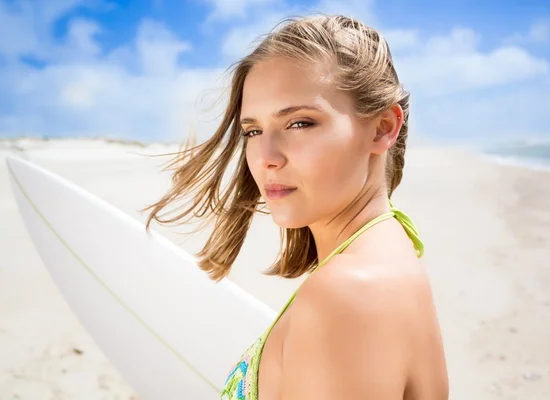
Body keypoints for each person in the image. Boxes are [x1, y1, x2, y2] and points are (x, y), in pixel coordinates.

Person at [145, 14, 448, 400]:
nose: (266, 157)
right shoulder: (390, 249)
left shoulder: (347, 294)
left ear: (382, 127)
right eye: (253, 131)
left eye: (300, 123)